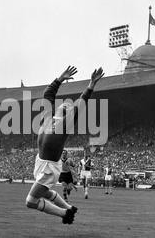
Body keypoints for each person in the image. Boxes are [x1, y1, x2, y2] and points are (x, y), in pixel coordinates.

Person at [25, 65, 104, 225]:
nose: (66, 104)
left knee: (31, 201)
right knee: (45, 193)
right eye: (65, 104)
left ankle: (64, 213)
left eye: (69, 106)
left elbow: (81, 103)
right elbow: (48, 94)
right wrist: (60, 79)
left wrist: (91, 85)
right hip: (41, 162)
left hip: (49, 168)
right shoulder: (47, 117)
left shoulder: (65, 124)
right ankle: (69, 207)